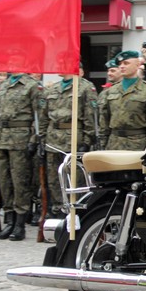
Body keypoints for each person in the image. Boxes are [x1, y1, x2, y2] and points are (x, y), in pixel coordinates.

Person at [39, 67, 97, 215]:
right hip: (52, 140)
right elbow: (44, 116)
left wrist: (87, 140)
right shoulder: (52, 89)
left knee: (74, 180)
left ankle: (75, 213)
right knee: (54, 179)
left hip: (73, 139)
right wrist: (41, 139)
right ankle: (58, 210)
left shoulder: (85, 87)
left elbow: (90, 116)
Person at [0, 73, 43, 241]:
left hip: (21, 139)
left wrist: (34, 139)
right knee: (5, 183)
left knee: (20, 183)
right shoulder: (4, 85)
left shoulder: (32, 85)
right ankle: (9, 221)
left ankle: (20, 224)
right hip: (2, 138)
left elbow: (39, 115)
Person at [99, 50, 146, 150]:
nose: (122, 66)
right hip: (113, 143)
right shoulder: (111, 91)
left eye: (126, 63)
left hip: (138, 144)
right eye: (120, 64)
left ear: (137, 65)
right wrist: (103, 144)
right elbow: (104, 121)